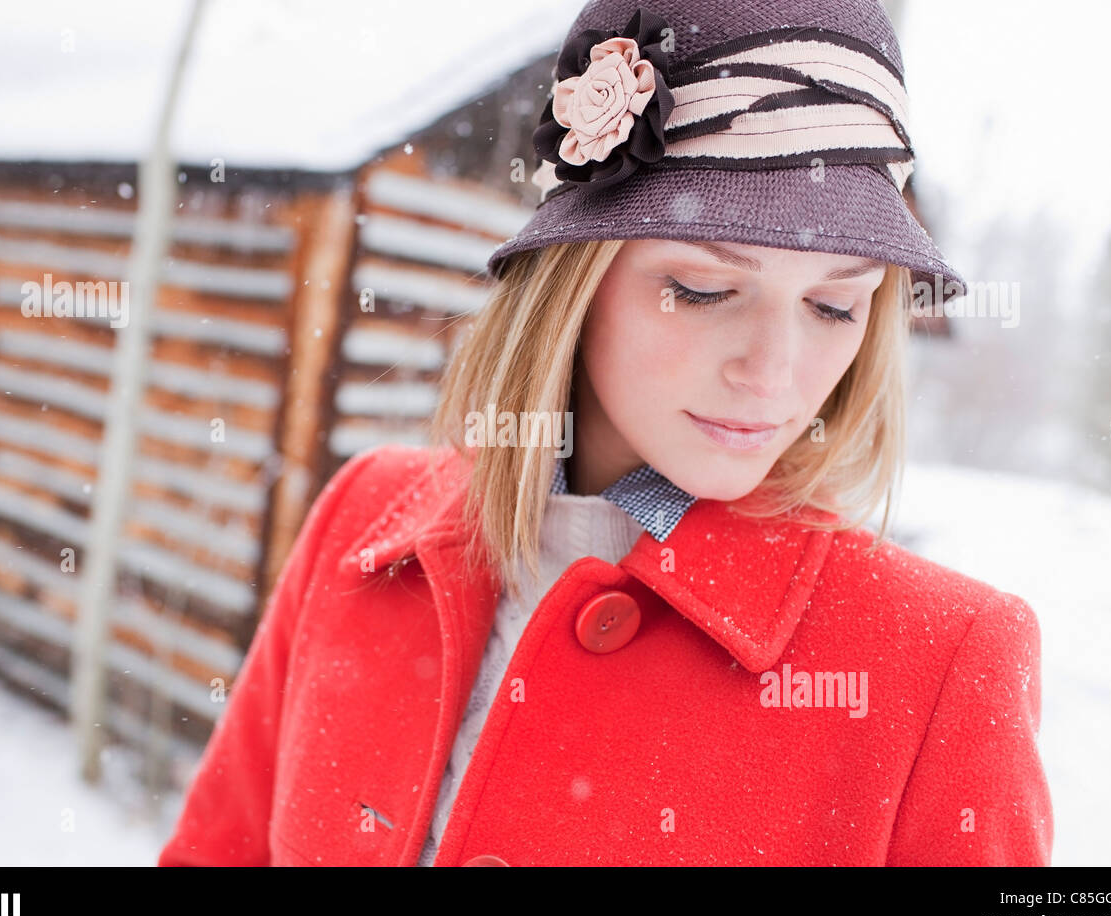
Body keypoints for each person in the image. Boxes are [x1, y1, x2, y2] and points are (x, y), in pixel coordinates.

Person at [159, 0, 1053, 866]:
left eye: (833, 304)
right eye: (705, 289)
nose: (775, 374)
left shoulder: (941, 668)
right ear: (575, 283)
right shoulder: (362, 520)